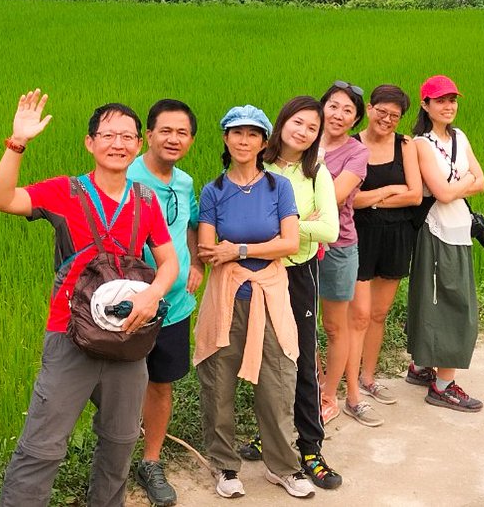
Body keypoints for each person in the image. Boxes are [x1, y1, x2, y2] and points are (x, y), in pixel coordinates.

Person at [0, 90, 179, 507]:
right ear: (90, 143)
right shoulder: (64, 192)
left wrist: (153, 295)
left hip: (129, 337)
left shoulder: (145, 201)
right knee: (43, 446)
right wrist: (17, 142)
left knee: (121, 441)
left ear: (138, 144)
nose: (119, 144)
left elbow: (169, 263)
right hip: (69, 335)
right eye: (108, 135)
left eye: (128, 136)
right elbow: (0, 199)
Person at [193, 105, 315, 500]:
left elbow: (291, 242)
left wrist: (240, 249)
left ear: (264, 142)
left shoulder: (279, 187)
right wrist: (242, 252)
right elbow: (210, 250)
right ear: (226, 139)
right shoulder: (213, 191)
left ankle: (283, 467)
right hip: (227, 297)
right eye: (236, 133)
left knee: (279, 381)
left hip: (270, 293)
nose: (244, 141)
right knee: (218, 382)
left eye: (253, 134)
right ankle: (225, 465)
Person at [239, 96, 342, 490]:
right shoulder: (253, 166)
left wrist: (285, 224)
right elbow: (238, 222)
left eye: (312, 128)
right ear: (282, 123)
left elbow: (330, 230)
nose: (303, 131)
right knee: (262, 360)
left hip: (297, 274)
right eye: (297, 122)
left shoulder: (316, 173)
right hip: (254, 275)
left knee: (299, 361)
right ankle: (270, 434)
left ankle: (311, 448)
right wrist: (300, 223)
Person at [127, 99, 202, 507]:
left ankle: (150, 461)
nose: (174, 139)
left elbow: (190, 221)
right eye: (166, 131)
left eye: (183, 133)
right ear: (149, 136)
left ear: (190, 139)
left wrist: (196, 264)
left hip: (173, 304)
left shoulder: (185, 181)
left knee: (160, 383)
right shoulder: (127, 176)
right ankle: (113, 461)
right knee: (118, 384)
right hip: (130, 303)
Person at [406, 74, 484, 412]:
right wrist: (462, 182)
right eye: (440, 100)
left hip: (459, 231)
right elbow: (441, 193)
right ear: (426, 105)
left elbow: (482, 182)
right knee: (451, 303)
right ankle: (442, 385)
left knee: (442, 297)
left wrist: (458, 186)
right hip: (436, 231)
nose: (448, 105)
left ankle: (421, 365)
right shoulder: (421, 144)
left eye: (452, 99)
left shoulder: (460, 137)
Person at [351, 84, 422, 408]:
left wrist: (372, 199)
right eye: (382, 112)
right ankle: (350, 383)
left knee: (379, 314)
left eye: (395, 116)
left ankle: (368, 378)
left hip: (396, 236)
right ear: (369, 109)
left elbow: (415, 195)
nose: (388, 119)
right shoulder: (352, 146)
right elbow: (351, 201)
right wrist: (390, 190)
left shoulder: (404, 145)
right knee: (360, 315)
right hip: (360, 237)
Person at [316, 81, 376, 427]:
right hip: (299, 247)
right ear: (322, 107)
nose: (338, 114)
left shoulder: (356, 153)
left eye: (347, 110)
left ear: (355, 120)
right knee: (300, 325)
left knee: (334, 327)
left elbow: (334, 198)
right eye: (333, 106)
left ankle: (328, 395)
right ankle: (309, 387)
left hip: (338, 247)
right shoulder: (304, 139)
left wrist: (286, 215)